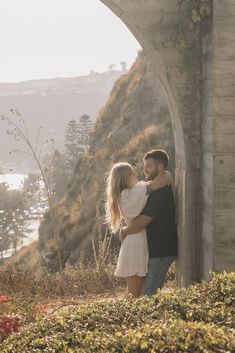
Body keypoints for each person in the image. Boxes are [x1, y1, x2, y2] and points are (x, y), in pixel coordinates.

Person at [105, 161, 172, 297]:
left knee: (135, 294)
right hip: (135, 246)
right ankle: (124, 317)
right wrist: (162, 170)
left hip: (135, 243)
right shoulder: (130, 194)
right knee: (134, 295)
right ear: (126, 177)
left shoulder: (127, 194)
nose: (136, 175)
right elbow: (162, 182)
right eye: (132, 173)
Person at [121, 149, 178, 295]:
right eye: (144, 165)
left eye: (149, 166)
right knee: (146, 292)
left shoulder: (161, 193)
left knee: (148, 293)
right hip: (155, 250)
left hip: (162, 250)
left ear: (160, 167)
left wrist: (124, 231)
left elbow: (143, 221)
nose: (145, 169)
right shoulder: (155, 189)